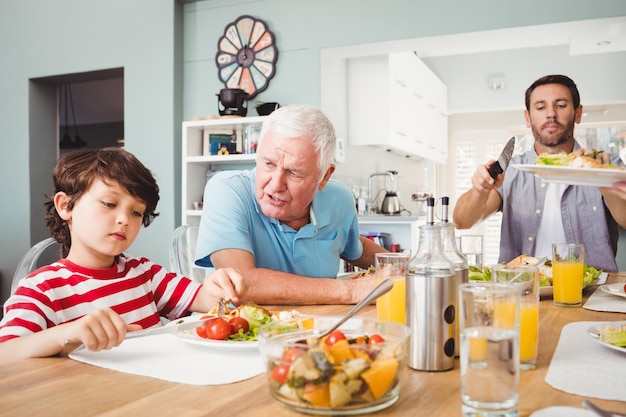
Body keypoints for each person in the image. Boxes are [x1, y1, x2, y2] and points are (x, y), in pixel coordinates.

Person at [0, 148, 246, 364]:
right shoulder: (42, 288)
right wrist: (66, 333)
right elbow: (5, 353)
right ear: (65, 206)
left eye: (136, 213)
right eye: (109, 204)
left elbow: (210, 300)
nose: (124, 220)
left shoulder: (145, 274)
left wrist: (220, 286)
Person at [195, 104, 386, 305]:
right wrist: (351, 291)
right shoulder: (226, 189)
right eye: (268, 164)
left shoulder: (340, 199)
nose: (275, 185)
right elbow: (243, 282)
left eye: (294, 172)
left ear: (324, 176)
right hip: (246, 332)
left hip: (319, 328)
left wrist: (403, 266)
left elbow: (354, 246)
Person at [453, 74, 626, 272]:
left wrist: (604, 179)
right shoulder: (512, 171)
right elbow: (461, 222)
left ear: (578, 113)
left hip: (590, 294)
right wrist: (480, 189)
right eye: (540, 107)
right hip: (521, 291)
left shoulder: (606, 165)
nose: (551, 114)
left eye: (561, 105)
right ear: (528, 117)